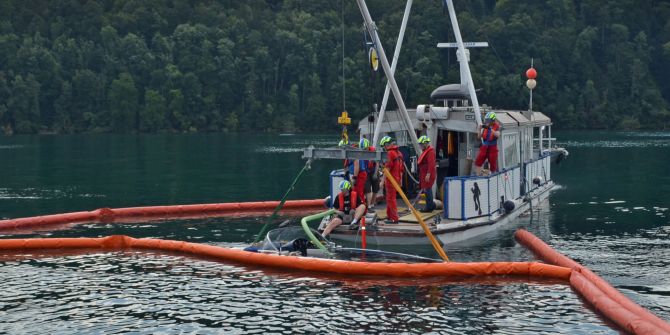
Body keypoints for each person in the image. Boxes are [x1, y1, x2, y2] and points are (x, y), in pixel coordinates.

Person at [380, 135, 403, 224]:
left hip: (391, 180)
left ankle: (394, 218)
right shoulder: (399, 153)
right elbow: (401, 169)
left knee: (391, 199)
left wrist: (382, 181)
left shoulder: (390, 153)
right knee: (390, 198)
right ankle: (390, 216)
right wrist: (400, 181)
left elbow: (388, 168)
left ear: (386, 144)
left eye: (383, 147)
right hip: (397, 179)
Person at [417, 135, 436, 212]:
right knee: (427, 190)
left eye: (421, 144)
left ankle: (429, 207)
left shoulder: (430, 152)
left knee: (428, 190)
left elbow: (431, 164)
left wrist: (428, 174)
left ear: (425, 143)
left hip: (427, 174)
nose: (420, 146)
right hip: (424, 173)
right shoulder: (426, 151)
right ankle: (430, 205)